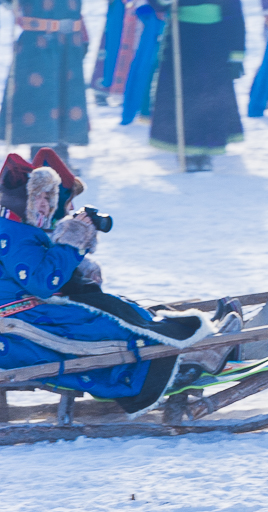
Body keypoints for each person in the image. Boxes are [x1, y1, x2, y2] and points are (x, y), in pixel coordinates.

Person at [0, 149, 243, 417]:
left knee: (118, 309)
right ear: (23, 200)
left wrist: (77, 263)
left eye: (49, 197)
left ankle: (203, 345)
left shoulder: (17, 228)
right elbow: (41, 283)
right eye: (39, 198)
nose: (46, 205)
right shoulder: (10, 232)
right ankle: (193, 357)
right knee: (104, 327)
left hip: (27, 317)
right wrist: (71, 244)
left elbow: (37, 271)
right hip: (20, 329)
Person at [0, 0, 103, 161]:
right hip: (37, 38)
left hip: (70, 38)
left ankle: (62, 153)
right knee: (39, 95)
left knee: (66, 95)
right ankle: (39, 153)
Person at [149, 0, 246, 172]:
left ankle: (207, 148)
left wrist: (236, 53)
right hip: (183, 41)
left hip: (214, 43)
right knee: (185, 95)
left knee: (210, 97)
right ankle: (185, 148)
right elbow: (154, 1)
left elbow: (234, 12)